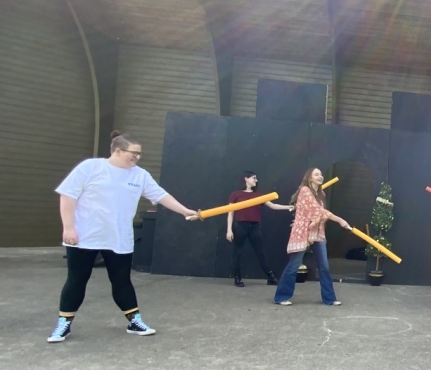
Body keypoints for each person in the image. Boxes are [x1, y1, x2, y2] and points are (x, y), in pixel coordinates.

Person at [47, 131, 198, 343]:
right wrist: (69, 228)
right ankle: (64, 324)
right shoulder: (90, 168)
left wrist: (185, 211)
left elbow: (160, 195)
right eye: (133, 153)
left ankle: (134, 321)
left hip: (119, 239)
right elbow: (67, 196)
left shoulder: (140, 175)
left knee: (122, 282)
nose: (137, 158)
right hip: (84, 237)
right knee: (77, 280)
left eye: (139, 154)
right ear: (117, 151)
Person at [273, 167, 350, 307]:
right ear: (310, 178)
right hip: (303, 231)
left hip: (318, 232)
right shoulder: (305, 191)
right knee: (293, 266)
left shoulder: (322, 195)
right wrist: (340, 220)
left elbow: (319, 214)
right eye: (316, 174)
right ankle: (281, 297)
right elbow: (318, 211)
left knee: (324, 266)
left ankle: (329, 298)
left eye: (321, 174)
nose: (320, 176)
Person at [226, 171, 294, 287]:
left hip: (255, 227)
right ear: (246, 179)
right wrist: (229, 230)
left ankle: (271, 277)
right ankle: (238, 278)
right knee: (237, 253)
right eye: (254, 178)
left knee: (260, 253)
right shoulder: (236, 194)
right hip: (240, 226)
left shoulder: (259, 196)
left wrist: (288, 207)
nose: (256, 180)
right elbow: (230, 212)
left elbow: (273, 205)